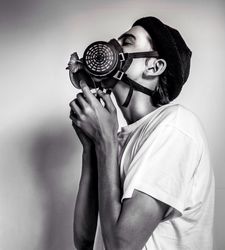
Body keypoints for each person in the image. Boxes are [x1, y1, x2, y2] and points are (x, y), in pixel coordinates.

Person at [69, 16, 215, 250]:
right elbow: (84, 241)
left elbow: (121, 247)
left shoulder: (175, 127)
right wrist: (91, 147)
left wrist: (105, 140)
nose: (112, 48)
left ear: (154, 67)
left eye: (126, 42)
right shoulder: (116, 139)